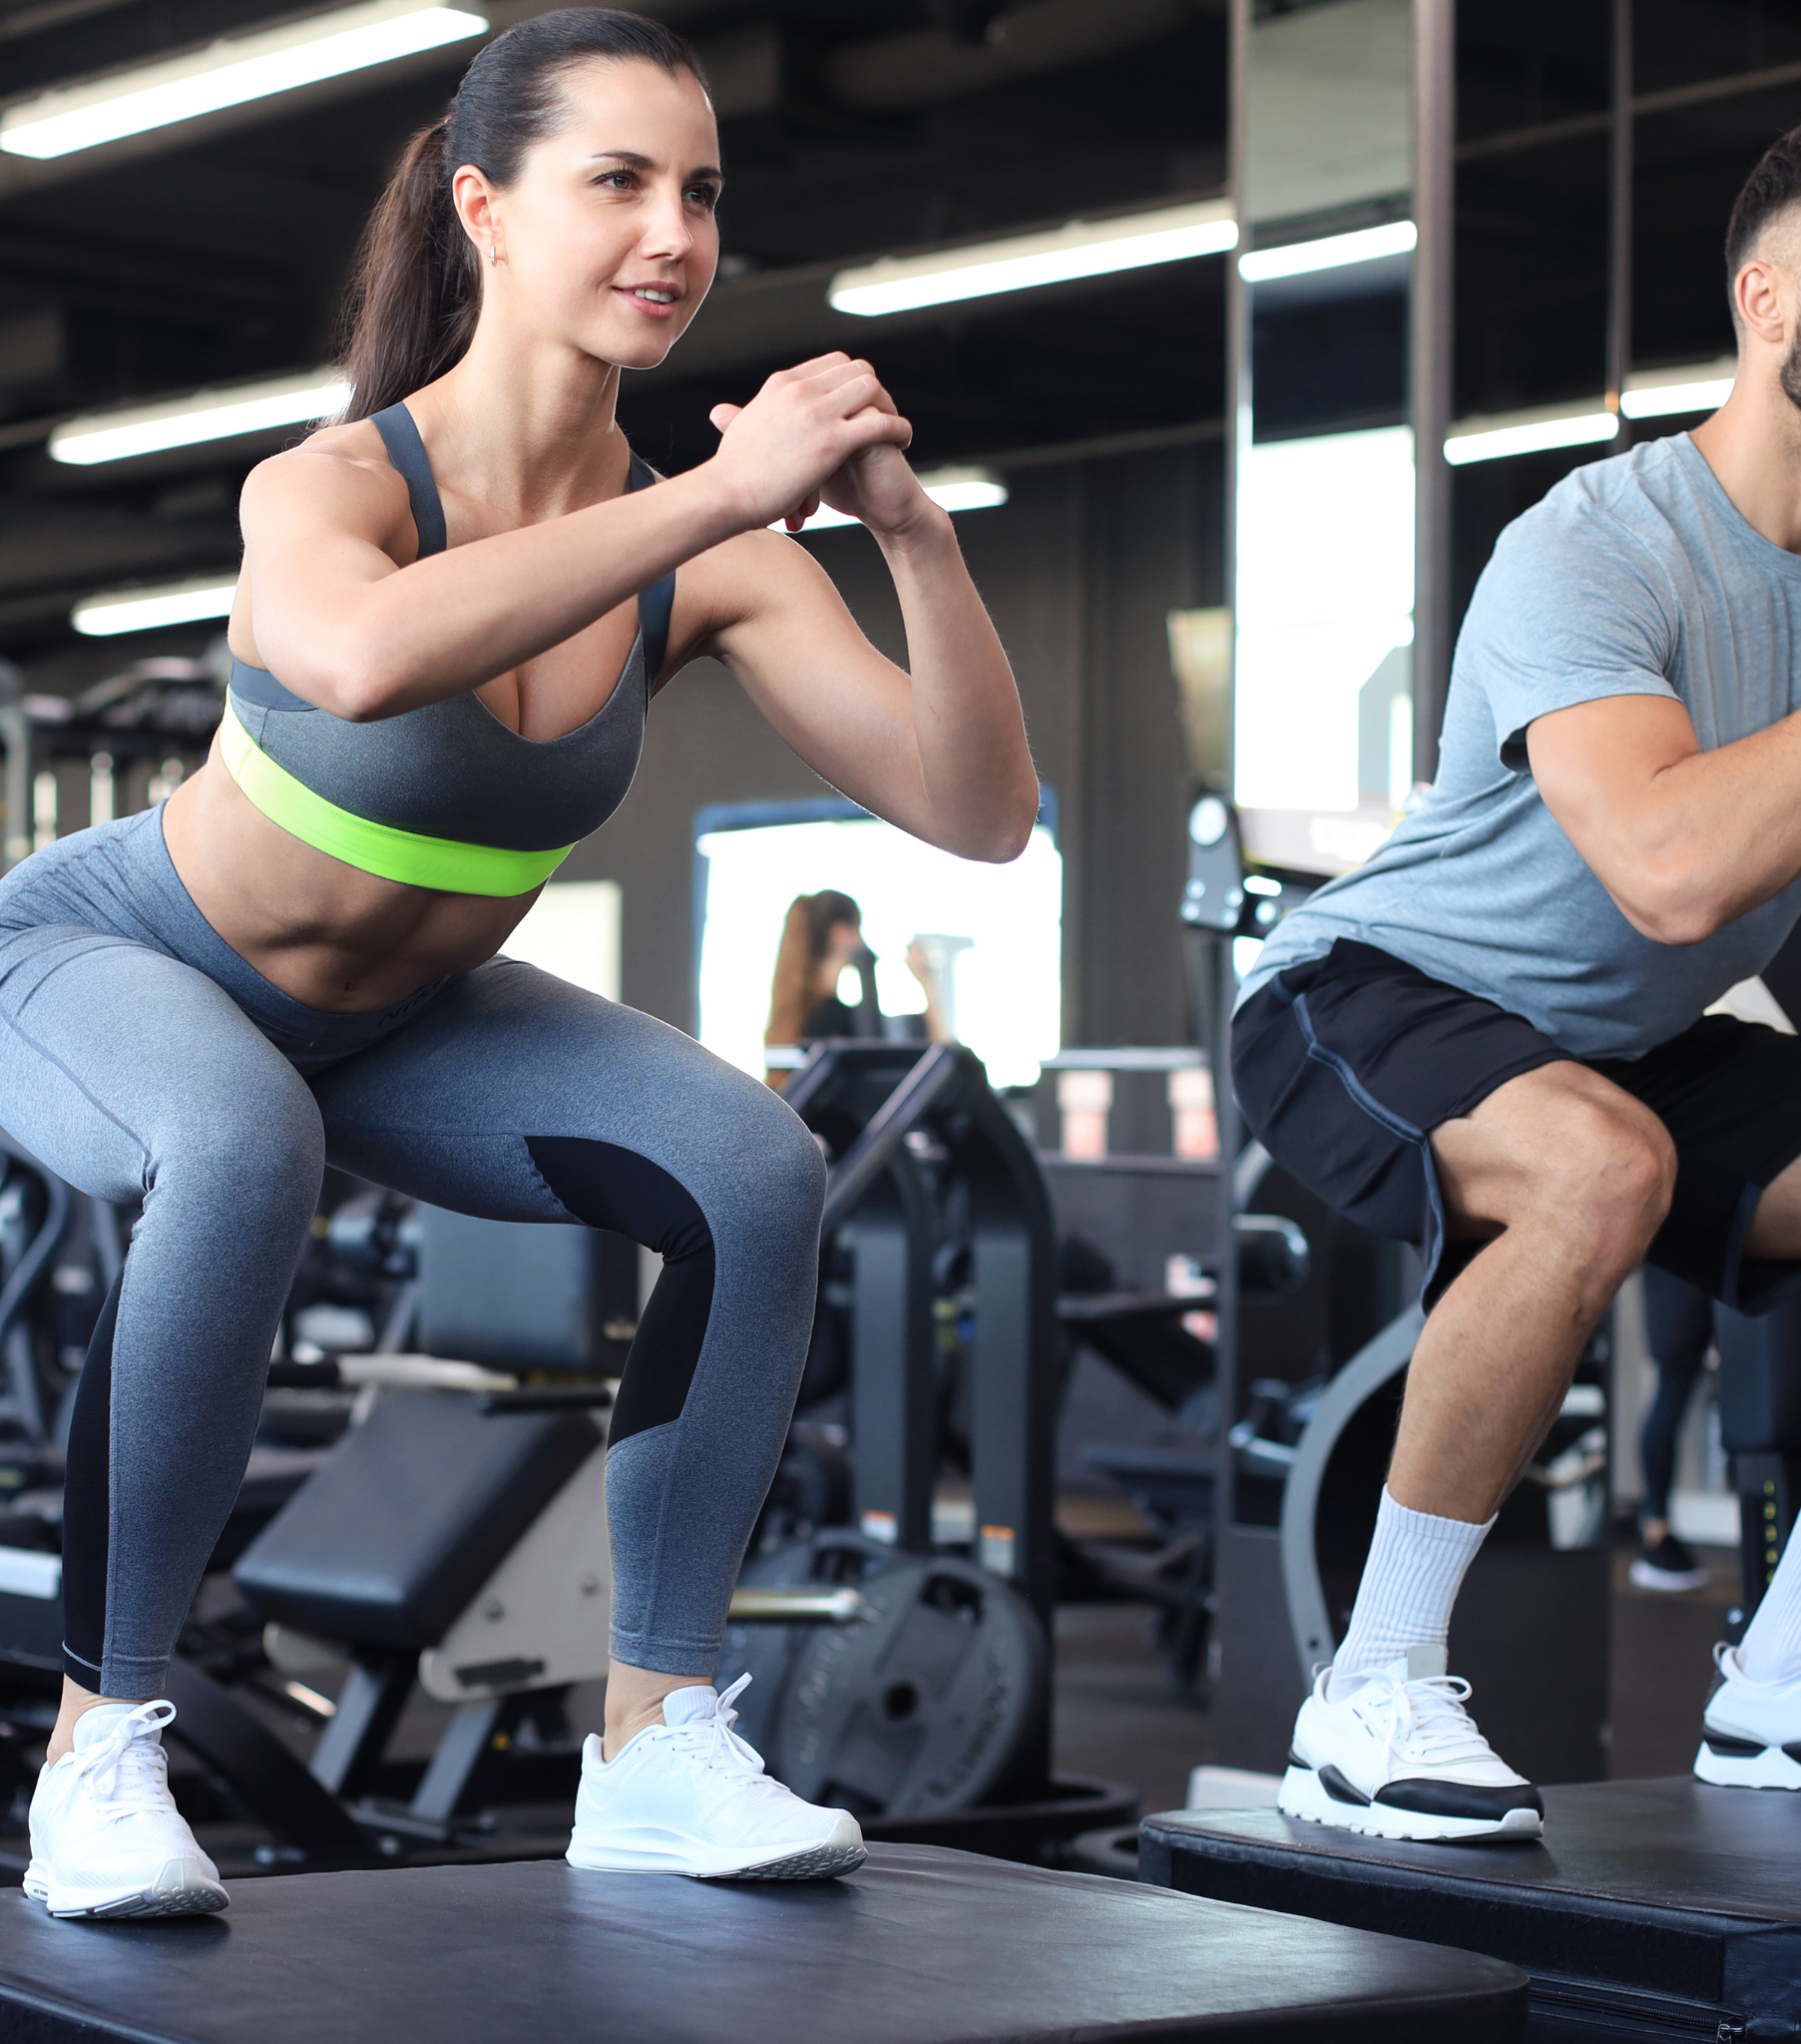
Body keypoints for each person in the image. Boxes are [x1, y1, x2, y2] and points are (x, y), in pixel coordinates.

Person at [5, 7, 1035, 1919]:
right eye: (618, 184)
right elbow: (372, 658)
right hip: (105, 951)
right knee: (236, 1143)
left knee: (753, 1168)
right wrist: (723, 491)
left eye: (702, 194)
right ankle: (101, 1747)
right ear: (484, 206)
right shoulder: (333, 486)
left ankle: (650, 1741)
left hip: (397, 1021)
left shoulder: (696, 554)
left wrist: (909, 539)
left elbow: (971, 810)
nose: (672, 234)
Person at [1233, 110, 1801, 1841]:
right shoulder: (1594, 541)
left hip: (1627, 1030)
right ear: (1768, 304)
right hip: (1374, 985)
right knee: (1596, 1160)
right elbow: (1671, 872)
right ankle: (1365, 1689)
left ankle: (1790, 1667)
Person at [762, 889, 950, 1083]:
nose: (863, 943)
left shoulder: (792, 1021)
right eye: (857, 931)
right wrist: (927, 982)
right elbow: (943, 1062)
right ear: (841, 933)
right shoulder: (847, 1021)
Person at [1630, 1268, 1714, 1593]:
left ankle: (1657, 1525)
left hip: (1680, 1275)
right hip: (1683, 1275)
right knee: (1670, 1396)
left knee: (1670, 1395)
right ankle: (1657, 1529)